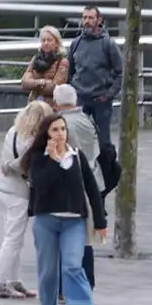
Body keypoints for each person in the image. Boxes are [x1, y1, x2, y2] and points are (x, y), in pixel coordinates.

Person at [22, 114, 106, 305]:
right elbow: (42, 186)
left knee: (72, 265)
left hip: (74, 221)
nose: (60, 134)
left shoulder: (77, 156)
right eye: (55, 130)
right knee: (48, 270)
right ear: (46, 135)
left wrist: (100, 221)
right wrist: (52, 160)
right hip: (46, 220)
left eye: (62, 129)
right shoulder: (39, 158)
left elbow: (92, 190)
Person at [0, 99, 53, 299]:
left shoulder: (13, 131)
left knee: (11, 237)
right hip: (18, 192)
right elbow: (25, 163)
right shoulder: (32, 141)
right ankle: (0, 282)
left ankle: (13, 280)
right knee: (13, 239)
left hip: (3, 187)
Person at [54, 83, 105, 285]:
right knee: (86, 237)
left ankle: (66, 285)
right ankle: (87, 281)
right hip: (93, 178)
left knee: (68, 237)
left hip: (74, 184)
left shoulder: (61, 124)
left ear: (57, 102)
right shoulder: (86, 119)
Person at [67, 7, 123, 155]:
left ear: (99, 20)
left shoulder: (108, 44)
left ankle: (109, 174)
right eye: (84, 17)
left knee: (104, 143)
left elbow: (120, 73)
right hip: (80, 101)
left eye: (91, 18)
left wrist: (109, 95)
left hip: (101, 100)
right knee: (77, 140)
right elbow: (69, 72)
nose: (87, 21)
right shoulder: (75, 44)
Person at [21, 25, 70, 101]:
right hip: (34, 102)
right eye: (43, 40)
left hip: (52, 106)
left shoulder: (62, 61)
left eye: (49, 40)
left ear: (57, 43)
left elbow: (55, 87)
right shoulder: (35, 59)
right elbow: (24, 83)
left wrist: (33, 85)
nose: (46, 43)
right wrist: (41, 82)